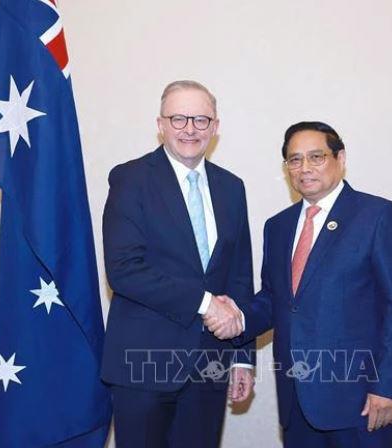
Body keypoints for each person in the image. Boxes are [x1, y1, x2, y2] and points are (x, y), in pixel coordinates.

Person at [206, 121, 392, 447]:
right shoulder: (278, 226)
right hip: (297, 401)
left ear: (340, 158)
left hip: (364, 402)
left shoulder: (379, 216)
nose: (304, 168)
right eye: (294, 159)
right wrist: (240, 317)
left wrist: (389, 387)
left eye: (316, 157)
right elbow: (277, 300)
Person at [101, 80, 255, 447]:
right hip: (143, 364)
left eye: (201, 120)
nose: (190, 129)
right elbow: (124, 269)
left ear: (215, 127)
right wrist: (205, 303)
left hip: (209, 365)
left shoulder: (232, 187)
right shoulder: (130, 178)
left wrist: (243, 356)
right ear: (160, 124)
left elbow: (239, 276)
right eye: (178, 118)